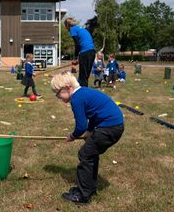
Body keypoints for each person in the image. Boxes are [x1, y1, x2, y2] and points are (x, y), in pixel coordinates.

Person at [51, 71, 124, 205]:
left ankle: (83, 196)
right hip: (115, 125)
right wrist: (90, 131)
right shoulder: (83, 92)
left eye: (58, 93)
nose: (58, 97)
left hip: (109, 128)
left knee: (85, 155)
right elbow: (95, 115)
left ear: (68, 88)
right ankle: (90, 188)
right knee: (91, 154)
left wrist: (72, 136)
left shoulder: (77, 99)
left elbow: (80, 126)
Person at [64, 18, 96, 87]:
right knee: (86, 76)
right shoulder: (80, 28)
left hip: (85, 53)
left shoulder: (73, 29)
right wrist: (79, 59)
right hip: (92, 52)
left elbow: (77, 45)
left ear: (67, 25)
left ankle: (83, 94)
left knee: (83, 77)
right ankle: (84, 92)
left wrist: (75, 58)